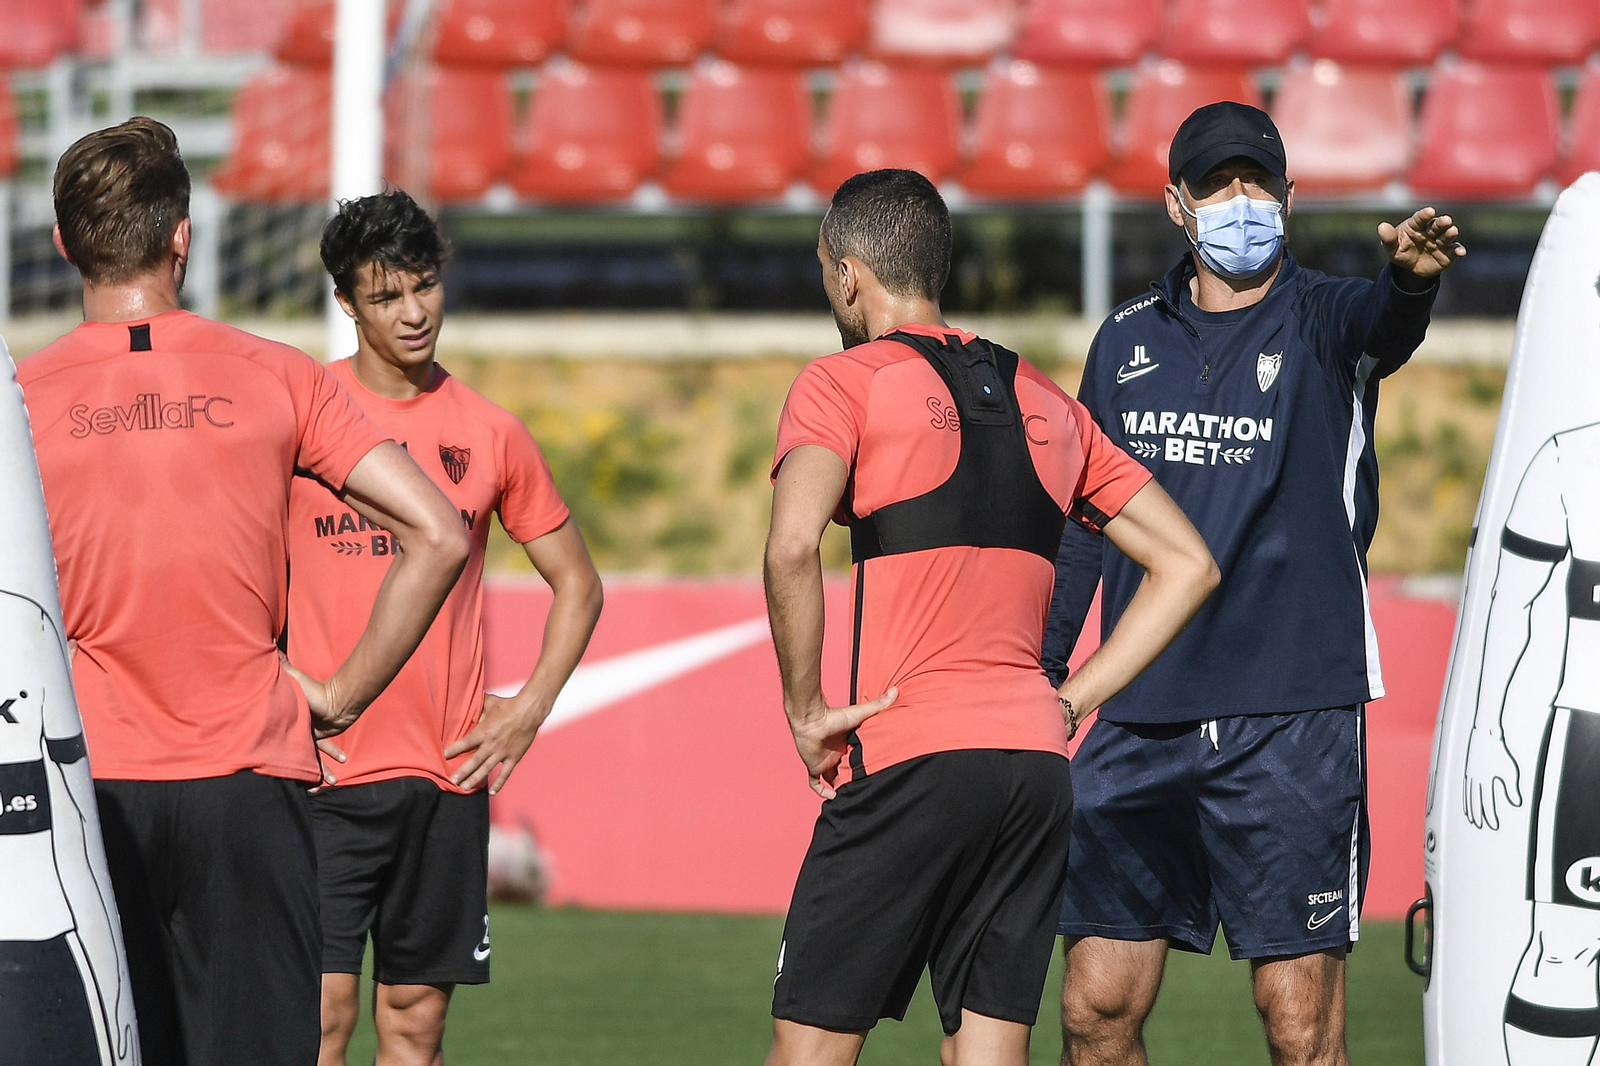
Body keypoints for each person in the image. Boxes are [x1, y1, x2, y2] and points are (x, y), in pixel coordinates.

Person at [17, 118, 470, 1065]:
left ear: (62, 244)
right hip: (251, 783)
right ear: (183, 235)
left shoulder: (22, 400)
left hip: (90, 790)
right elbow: (438, 531)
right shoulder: (278, 374)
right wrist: (341, 695)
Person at [763, 168, 1219, 1066]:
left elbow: (790, 548)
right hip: (1033, 769)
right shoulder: (1050, 399)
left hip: (911, 756)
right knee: (987, 1053)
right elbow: (1190, 563)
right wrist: (1073, 699)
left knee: (808, 1049)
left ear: (848, 273)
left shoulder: (841, 382)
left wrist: (806, 710)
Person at [1043, 102, 1465, 1066]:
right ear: (1176, 204)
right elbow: (1082, 521)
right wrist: (1044, 669)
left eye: (1258, 183)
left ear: (1286, 196)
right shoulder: (1120, 342)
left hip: (1293, 719)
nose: (1241, 201)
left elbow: (1388, 323)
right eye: (1217, 184)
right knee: (1094, 1014)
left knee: (1298, 1025)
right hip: (1139, 713)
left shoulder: (1326, 317)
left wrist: (1409, 281)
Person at [291, 189, 603, 1066]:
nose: (414, 311)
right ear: (346, 304)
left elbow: (577, 585)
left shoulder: (490, 433)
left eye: (424, 285)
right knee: (315, 1019)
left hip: (445, 777)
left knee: (416, 1024)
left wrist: (528, 708)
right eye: (386, 296)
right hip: (320, 776)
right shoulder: (298, 417)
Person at [1463, 421, 1600, 1066]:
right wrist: (1486, 732)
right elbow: (1510, 598)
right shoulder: (1570, 459)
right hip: (1589, 742)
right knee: (1565, 948)